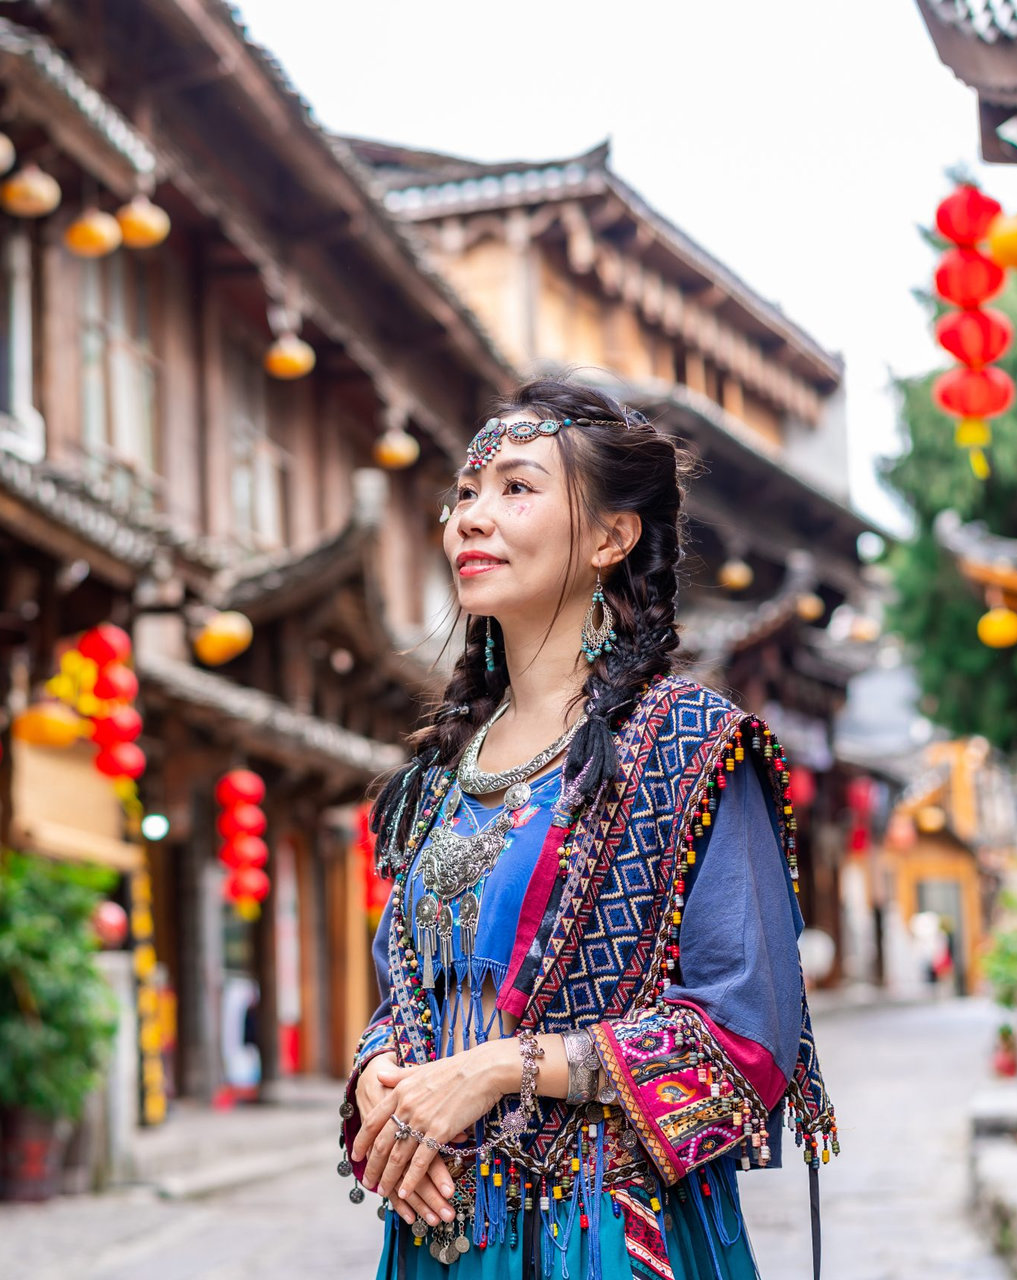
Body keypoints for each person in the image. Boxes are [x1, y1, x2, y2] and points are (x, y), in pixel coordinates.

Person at [337, 379, 838, 1279]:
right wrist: (384, 1078)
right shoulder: (437, 774)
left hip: (609, 1234)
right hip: (441, 1241)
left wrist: (498, 1070)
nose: (470, 519)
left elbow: (747, 1038)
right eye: (464, 494)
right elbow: (406, 995)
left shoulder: (691, 747)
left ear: (612, 537)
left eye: (516, 489)